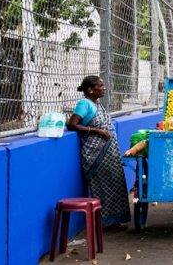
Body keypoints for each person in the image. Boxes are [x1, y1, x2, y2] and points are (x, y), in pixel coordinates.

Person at [66, 75, 131, 230]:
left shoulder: (97, 104)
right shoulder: (84, 104)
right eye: (100, 86)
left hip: (109, 154)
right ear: (90, 89)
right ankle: (105, 222)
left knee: (114, 184)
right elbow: (71, 125)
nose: (104, 88)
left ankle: (114, 221)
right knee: (102, 186)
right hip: (96, 155)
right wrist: (96, 131)